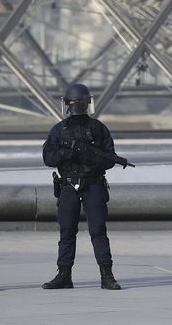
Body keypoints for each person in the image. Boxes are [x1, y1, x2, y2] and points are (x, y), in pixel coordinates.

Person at [42, 83, 121, 290]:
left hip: (89, 183)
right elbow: (49, 157)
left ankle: (102, 274)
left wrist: (89, 157)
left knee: (79, 232)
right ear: (88, 103)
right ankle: (89, 275)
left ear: (67, 104)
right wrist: (68, 153)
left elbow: (109, 158)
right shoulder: (94, 128)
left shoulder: (74, 129)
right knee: (86, 231)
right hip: (73, 185)